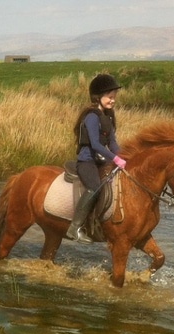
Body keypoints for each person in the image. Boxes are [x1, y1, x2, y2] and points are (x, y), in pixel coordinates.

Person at [66, 74, 127, 244]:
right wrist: (115, 159)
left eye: (114, 97)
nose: (113, 100)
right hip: (87, 161)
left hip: (101, 161)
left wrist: (123, 156)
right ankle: (75, 228)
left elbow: (112, 143)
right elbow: (95, 144)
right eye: (110, 97)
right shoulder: (91, 116)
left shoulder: (107, 117)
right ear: (98, 97)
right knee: (94, 187)